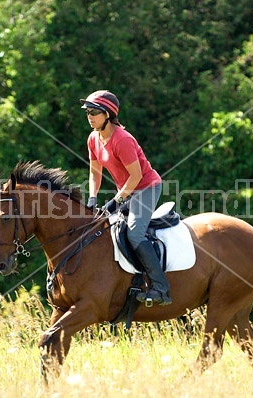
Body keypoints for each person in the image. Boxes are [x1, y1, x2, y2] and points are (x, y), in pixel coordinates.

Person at [81, 90, 171, 306]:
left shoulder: (122, 140)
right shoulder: (93, 138)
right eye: (87, 113)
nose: (90, 117)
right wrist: (92, 197)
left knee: (134, 234)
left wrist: (117, 201)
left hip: (146, 188)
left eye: (94, 112)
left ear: (108, 114)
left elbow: (137, 176)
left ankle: (161, 288)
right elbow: (95, 172)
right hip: (127, 191)